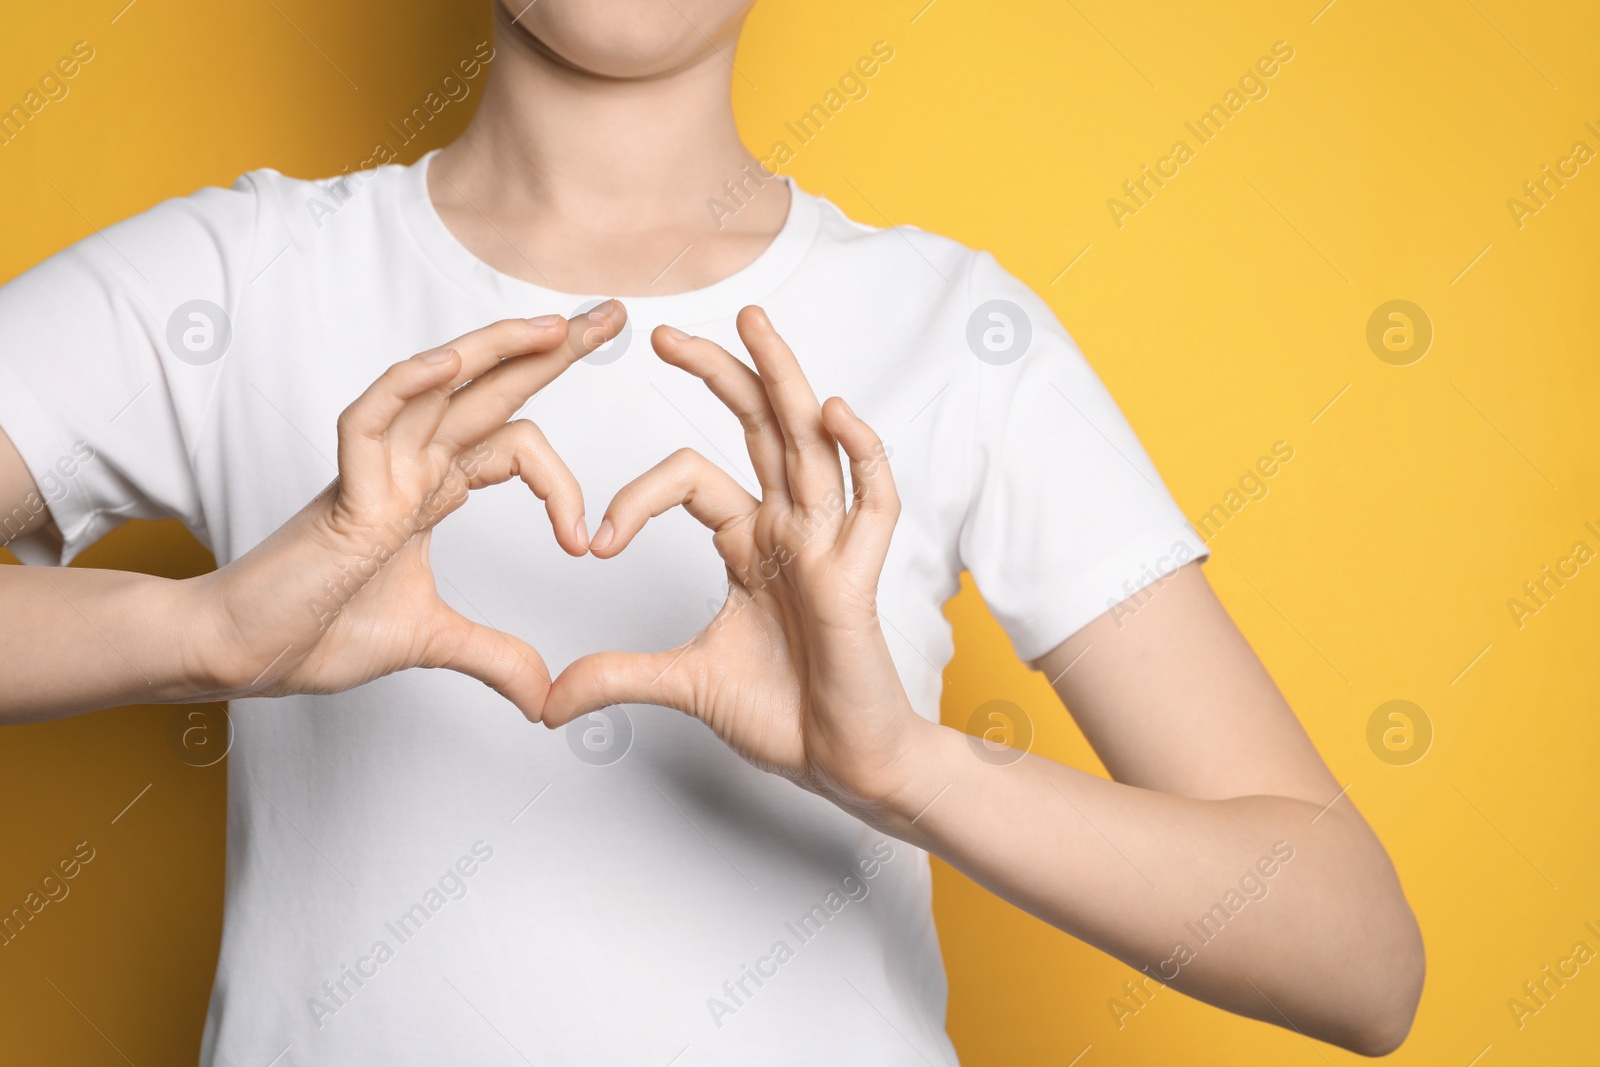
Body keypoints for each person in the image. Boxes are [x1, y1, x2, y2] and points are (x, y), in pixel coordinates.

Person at [0, 2, 1423, 1063]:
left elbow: (1358, 959)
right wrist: (200, 634)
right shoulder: (243, 280)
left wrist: (907, 771)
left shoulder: (958, 332)